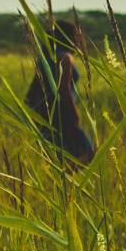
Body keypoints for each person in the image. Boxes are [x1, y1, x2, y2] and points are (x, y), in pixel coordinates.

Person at [29, 19, 94, 168]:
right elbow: (63, 88)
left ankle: (59, 181)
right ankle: (62, 180)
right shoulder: (65, 57)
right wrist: (75, 113)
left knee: (58, 156)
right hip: (63, 113)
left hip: (48, 112)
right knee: (89, 151)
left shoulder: (46, 56)